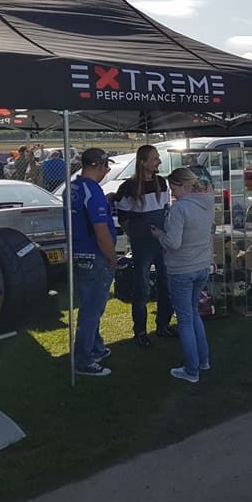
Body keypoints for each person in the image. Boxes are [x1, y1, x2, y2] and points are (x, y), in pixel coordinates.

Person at [152, 168, 215, 382]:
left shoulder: (180, 209)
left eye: (174, 188)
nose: (172, 192)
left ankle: (191, 370)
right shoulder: (207, 203)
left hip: (181, 269)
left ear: (184, 185)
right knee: (193, 313)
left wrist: (159, 234)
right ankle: (203, 361)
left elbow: (173, 243)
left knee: (185, 320)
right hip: (201, 267)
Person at [113, 145, 173, 348]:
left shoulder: (162, 183)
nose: (159, 162)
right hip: (142, 247)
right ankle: (140, 331)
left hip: (161, 243)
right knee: (142, 289)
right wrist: (136, 235)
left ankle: (163, 325)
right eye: (155, 158)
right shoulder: (128, 187)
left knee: (166, 284)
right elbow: (122, 217)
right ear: (143, 162)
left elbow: (166, 210)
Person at [70, 148, 118, 377]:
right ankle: (83, 359)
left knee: (90, 305)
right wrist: (112, 257)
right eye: (106, 167)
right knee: (91, 310)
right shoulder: (92, 191)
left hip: (79, 253)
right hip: (94, 255)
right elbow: (101, 231)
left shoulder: (73, 187)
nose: (106, 171)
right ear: (98, 165)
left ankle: (95, 347)